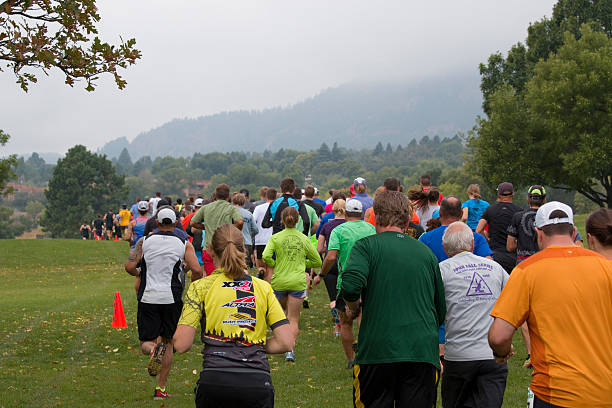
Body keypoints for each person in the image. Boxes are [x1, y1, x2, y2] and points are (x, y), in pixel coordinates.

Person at [489, 202, 612, 407]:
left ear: (538, 233)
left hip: (555, 393)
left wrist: (501, 353)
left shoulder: (526, 271)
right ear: (573, 232)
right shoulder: (605, 266)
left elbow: (499, 336)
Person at [341, 190, 446, 408]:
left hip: (378, 350)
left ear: (375, 217)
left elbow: (350, 285)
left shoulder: (366, 246)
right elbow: (440, 307)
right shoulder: (425, 253)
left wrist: (353, 307)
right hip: (422, 351)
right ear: (407, 221)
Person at [173, 224, 294, 408]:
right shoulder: (263, 288)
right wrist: (253, 346)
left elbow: (182, 344)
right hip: (256, 381)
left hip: (215, 380)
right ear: (243, 249)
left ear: (211, 251)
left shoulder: (200, 288)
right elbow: (286, 342)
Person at [124, 208, 203, 400]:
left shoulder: (144, 241)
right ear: (176, 223)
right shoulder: (183, 243)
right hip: (171, 298)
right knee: (167, 342)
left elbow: (129, 267)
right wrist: (185, 277)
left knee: (146, 341)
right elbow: (197, 270)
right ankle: (160, 388)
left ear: (157, 223)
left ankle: (152, 350)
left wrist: (140, 274)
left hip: (148, 296)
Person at [439, 222, 509, 408]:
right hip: (492, 355)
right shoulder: (494, 268)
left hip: (458, 357)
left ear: (445, 248)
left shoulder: (442, 270)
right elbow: (513, 302)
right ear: (472, 244)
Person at [318, 199, 375, 367]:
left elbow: (331, 256)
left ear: (346, 213)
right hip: (369, 279)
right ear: (361, 213)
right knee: (366, 318)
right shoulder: (371, 228)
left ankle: (351, 359)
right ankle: (367, 355)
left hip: (347, 280)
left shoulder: (339, 230)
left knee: (346, 322)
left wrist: (322, 273)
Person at [262, 207, 322, 362]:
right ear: (298, 220)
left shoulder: (276, 237)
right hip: (297, 282)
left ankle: (281, 341)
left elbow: (265, 256)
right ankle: (290, 349)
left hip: (280, 281)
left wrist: (275, 263)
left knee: (281, 315)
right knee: (293, 318)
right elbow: (317, 261)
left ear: (282, 220)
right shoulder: (303, 238)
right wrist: (303, 263)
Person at [419, 196, 492, 263]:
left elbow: (420, 263)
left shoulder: (425, 239)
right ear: (461, 214)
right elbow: (489, 263)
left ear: (440, 213)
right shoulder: (477, 238)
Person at [313, 199, 346, 337]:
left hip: (330, 263)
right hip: (345, 263)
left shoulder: (327, 226)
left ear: (333, 209)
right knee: (343, 296)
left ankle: (337, 328)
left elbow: (319, 248)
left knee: (333, 296)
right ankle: (343, 324)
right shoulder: (349, 226)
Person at [476, 182, 522, 273]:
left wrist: (488, 241)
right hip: (513, 257)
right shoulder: (519, 211)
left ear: (498, 194)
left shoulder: (490, 209)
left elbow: (478, 230)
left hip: (495, 256)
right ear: (513, 194)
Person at [191, 184, 244, 253]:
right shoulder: (231, 208)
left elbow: (192, 222)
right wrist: (231, 228)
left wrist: (205, 226)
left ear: (215, 196)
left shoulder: (205, 208)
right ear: (228, 197)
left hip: (208, 248)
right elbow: (240, 222)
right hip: (225, 249)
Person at [506, 185, 546, 263]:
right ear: (544, 200)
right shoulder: (548, 217)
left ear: (527, 200)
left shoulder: (517, 217)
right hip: (542, 260)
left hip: (523, 261)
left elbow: (510, 247)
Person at [253, 188, 275, 280]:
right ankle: (269, 288)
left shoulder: (259, 208)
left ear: (266, 196)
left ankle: (261, 270)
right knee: (270, 268)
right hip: (273, 240)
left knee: (261, 265)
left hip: (260, 240)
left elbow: (253, 221)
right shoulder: (277, 208)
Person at [232, 193, 258, 269]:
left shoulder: (230, 212)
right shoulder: (248, 214)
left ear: (233, 201)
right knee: (244, 265)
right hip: (246, 242)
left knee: (233, 264)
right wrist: (249, 235)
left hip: (233, 241)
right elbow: (256, 230)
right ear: (244, 202)